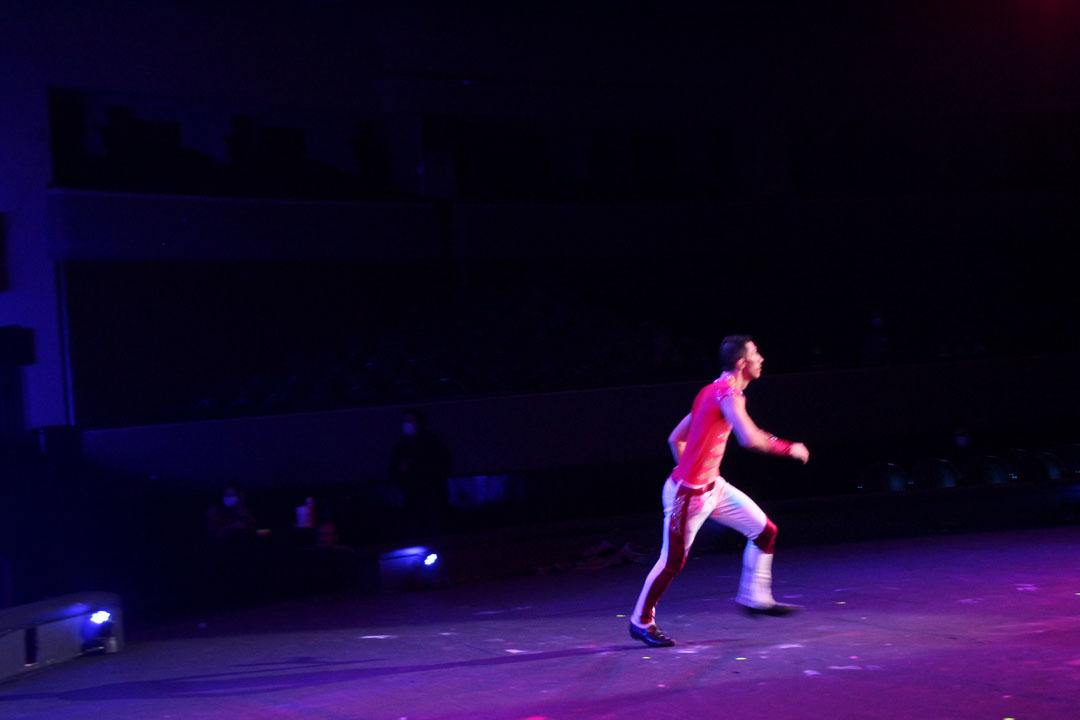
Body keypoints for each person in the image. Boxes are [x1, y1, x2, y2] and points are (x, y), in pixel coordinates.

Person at [629, 335, 810, 647]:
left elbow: (675, 438)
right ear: (741, 363)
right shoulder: (728, 394)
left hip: (714, 487)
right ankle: (640, 621)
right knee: (672, 562)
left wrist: (697, 469)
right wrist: (789, 448)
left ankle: (756, 598)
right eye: (756, 353)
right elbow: (749, 438)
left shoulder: (711, 390)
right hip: (688, 495)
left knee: (765, 532)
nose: (761, 359)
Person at [388, 409, 452, 538]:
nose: (407, 424)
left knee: (436, 532)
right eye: (405, 421)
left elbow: (444, 466)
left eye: (410, 420)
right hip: (411, 498)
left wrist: (417, 467)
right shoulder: (401, 447)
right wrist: (401, 470)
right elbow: (392, 470)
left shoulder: (433, 444)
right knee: (416, 532)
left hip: (433, 498)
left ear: (420, 422)